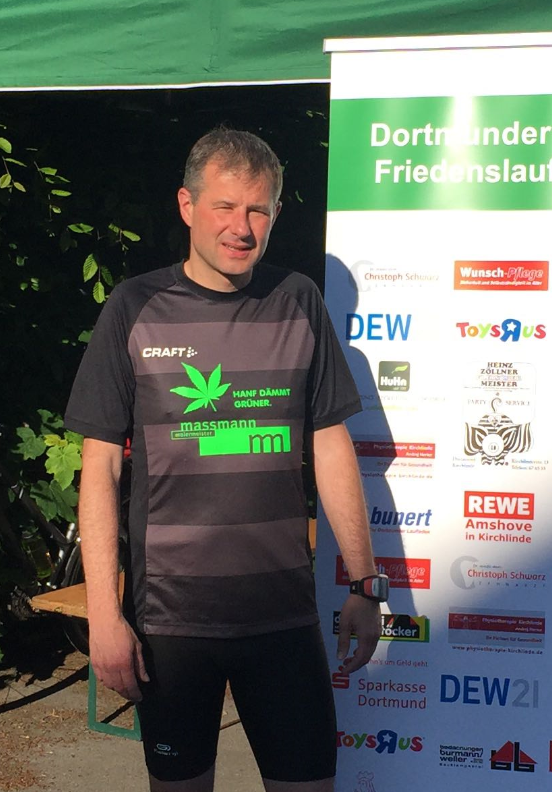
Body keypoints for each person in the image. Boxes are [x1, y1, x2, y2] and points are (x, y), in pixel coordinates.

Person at [64, 127, 385, 792]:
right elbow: (100, 470)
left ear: (275, 214)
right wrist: (104, 616)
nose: (241, 227)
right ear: (187, 206)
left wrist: (363, 583)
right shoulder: (133, 307)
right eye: (225, 207)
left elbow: (330, 444)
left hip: (282, 616)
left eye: (258, 210)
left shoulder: (298, 300)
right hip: (169, 624)